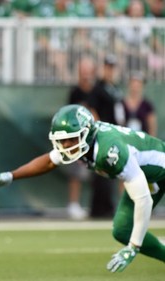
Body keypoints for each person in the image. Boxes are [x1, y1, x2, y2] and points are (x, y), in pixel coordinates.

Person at [0, 104, 165, 273]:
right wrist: (12, 176)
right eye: (62, 141)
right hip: (148, 177)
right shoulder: (85, 144)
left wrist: (133, 247)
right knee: (122, 230)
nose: (66, 146)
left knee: (130, 231)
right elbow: (50, 161)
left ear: (86, 133)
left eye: (70, 140)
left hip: (159, 171)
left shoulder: (109, 151)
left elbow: (143, 199)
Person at [88, 53, 125, 218]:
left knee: (113, 170)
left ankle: (109, 207)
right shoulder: (98, 88)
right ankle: (99, 209)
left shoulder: (115, 89)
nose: (110, 71)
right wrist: (100, 130)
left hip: (115, 133)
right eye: (108, 67)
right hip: (104, 134)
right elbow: (92, 110)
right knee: (102, 171)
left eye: (112, 68)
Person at [65, 56, 97, 220]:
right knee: (76, 173)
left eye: (87, 70)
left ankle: (95, 205)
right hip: (77, 138)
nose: (85, 74)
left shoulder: (96, 91)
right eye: (82, 71)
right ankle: (73, 204)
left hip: (93, 137)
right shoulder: (75, 92)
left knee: (97, 173)